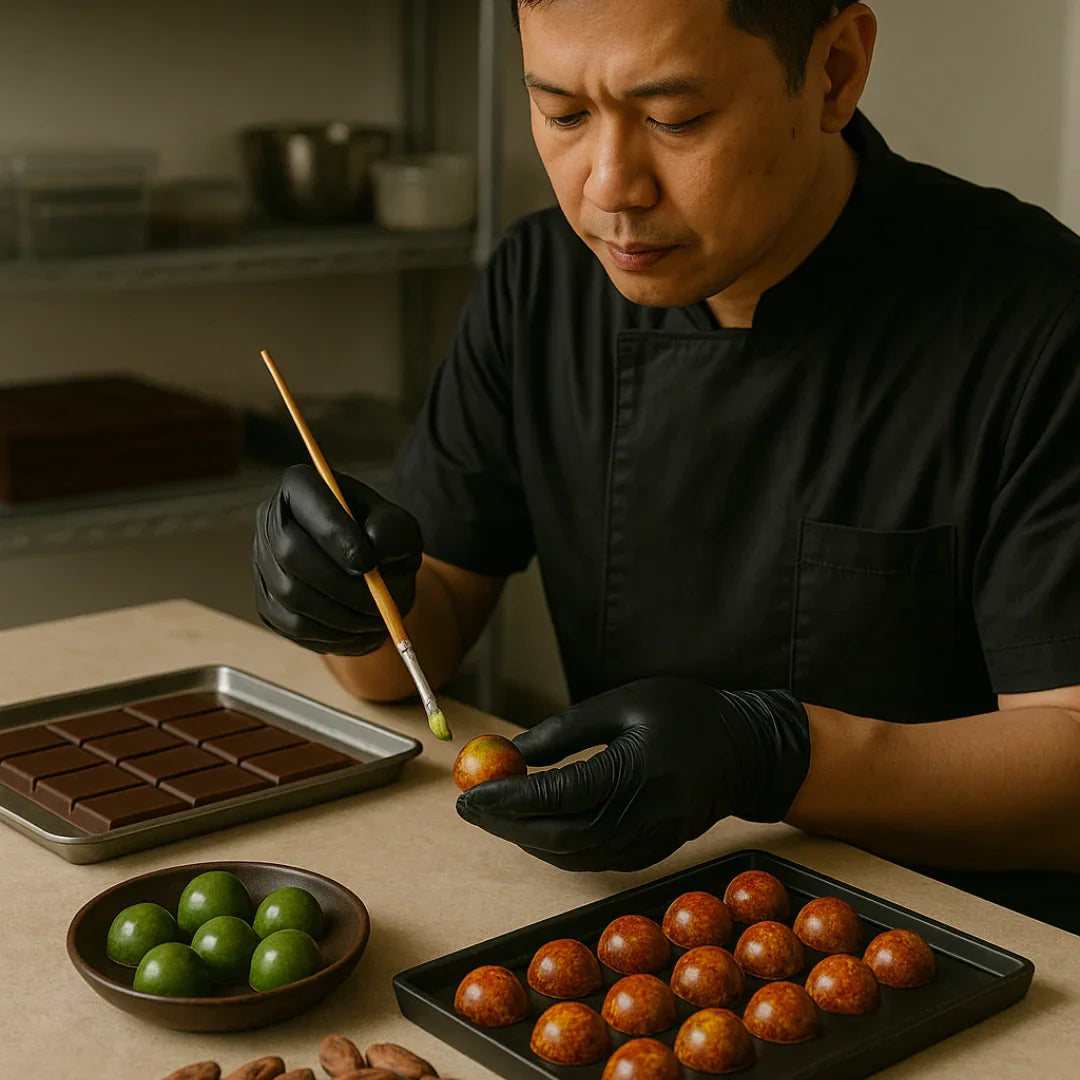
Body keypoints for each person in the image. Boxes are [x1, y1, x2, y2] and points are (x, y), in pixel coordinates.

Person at [252, 0, 1080, 932]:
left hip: (968, 943)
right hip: (632, 921)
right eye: (562, 114)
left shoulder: (1041, 321)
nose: (610, 186)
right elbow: (413, 655)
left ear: (836, 71)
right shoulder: (541, 283)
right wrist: (348, 601)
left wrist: (771, 756)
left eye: (674, 119)